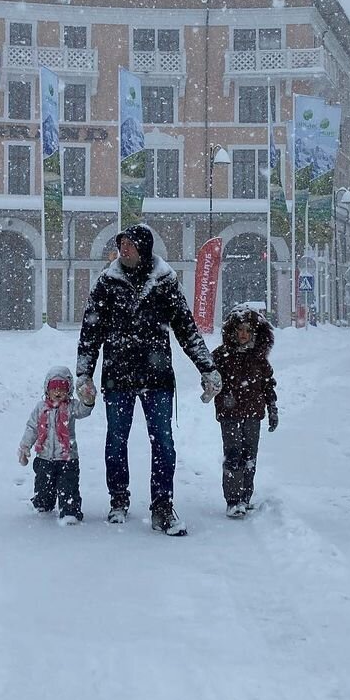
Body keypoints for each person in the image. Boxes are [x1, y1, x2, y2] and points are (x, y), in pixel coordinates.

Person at [76, 223, 222, 536]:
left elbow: (186, 328)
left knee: (164, 442)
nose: (123, 249)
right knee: (116, 439)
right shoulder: (107, 282)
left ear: (143, 248)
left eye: (128, 244)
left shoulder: (165, 281)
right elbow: (91, 331)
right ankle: (118, 498)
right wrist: (84, 372)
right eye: (121, 244)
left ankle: (163, 505)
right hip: (118, 376)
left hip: (157, 378)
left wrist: (207, 367)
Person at [210, 305, 278, 518]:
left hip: (253, 414)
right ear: (232, 331)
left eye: (248, 330)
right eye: (240, 329)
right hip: (229, 415)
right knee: (233, 455)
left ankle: (245, 497)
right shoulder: (221, 356)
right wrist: (210, 388)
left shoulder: (259, 359)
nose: (243, 334)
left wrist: (272, 408)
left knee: (250, 456)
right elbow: (209, 377)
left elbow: (268, 384)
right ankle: (233, 500)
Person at [17, 365, 94, 523]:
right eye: (54, 388)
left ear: (69, 390)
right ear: (47, 389)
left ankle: (70, 511)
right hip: (44, 457)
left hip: (67, 458)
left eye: (62, 388)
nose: (58, 392)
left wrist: (88, 400)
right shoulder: (41, 408)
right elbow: (32, 427)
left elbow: (84, 411)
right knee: (43, 485)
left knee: (69, 487)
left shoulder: (71, 406)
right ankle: (43, 506)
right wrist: (25, 447)